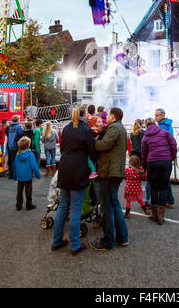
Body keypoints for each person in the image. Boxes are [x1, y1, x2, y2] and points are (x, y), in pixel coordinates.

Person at [51, 105, 96, 255]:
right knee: (75, 209)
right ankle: (75, 245)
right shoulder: (85, 129)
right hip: (78, 169)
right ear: (85, 115)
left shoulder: (66, 128)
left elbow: (63, 148)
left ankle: (56, 241)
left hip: (64, 167)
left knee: (63, 207)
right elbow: (93, 151)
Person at [90, 107, 128, 251]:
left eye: (109, 115)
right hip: (115, 171)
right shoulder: (120, 128)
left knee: (107, 207)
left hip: (109, 171)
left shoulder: (114, 128)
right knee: (114, 204)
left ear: (113, 116)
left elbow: (104, 145)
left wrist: (92, 141)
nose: (107, 118)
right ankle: (122, 237)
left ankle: (107, 241)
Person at [141, 118, 177, 225]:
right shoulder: (164, 132)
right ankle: (161, 216)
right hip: (166, 161)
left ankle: (154, 214)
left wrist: (144, 166)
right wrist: (172, 157)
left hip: (152, 163)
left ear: (146, 125)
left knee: (153, 187)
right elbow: (174, 144)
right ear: (155, 123)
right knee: (163, 187)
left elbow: (144, 154)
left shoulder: (145, 137)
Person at [13, 136, 41, 210]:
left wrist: (14, 176)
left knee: (19, 191)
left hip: (20, 175)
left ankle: (18, 205)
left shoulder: (18, 154)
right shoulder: (30, 154)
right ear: (28, 144)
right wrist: (38, 175)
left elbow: (15, 165)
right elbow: (34, 165)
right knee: (28, 191)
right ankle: (28, 205)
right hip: (28, 175)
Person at [155, 108, 175, 208]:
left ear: (162, 115)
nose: (155, 117)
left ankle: (169, 200)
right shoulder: (162, 125)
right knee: (164, 179)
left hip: (163, 155)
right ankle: (169, 200)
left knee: (164, 180)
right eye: (155, 115)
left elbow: (170, 141)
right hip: (163, 155)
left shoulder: (165, 126)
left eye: (157, 115)